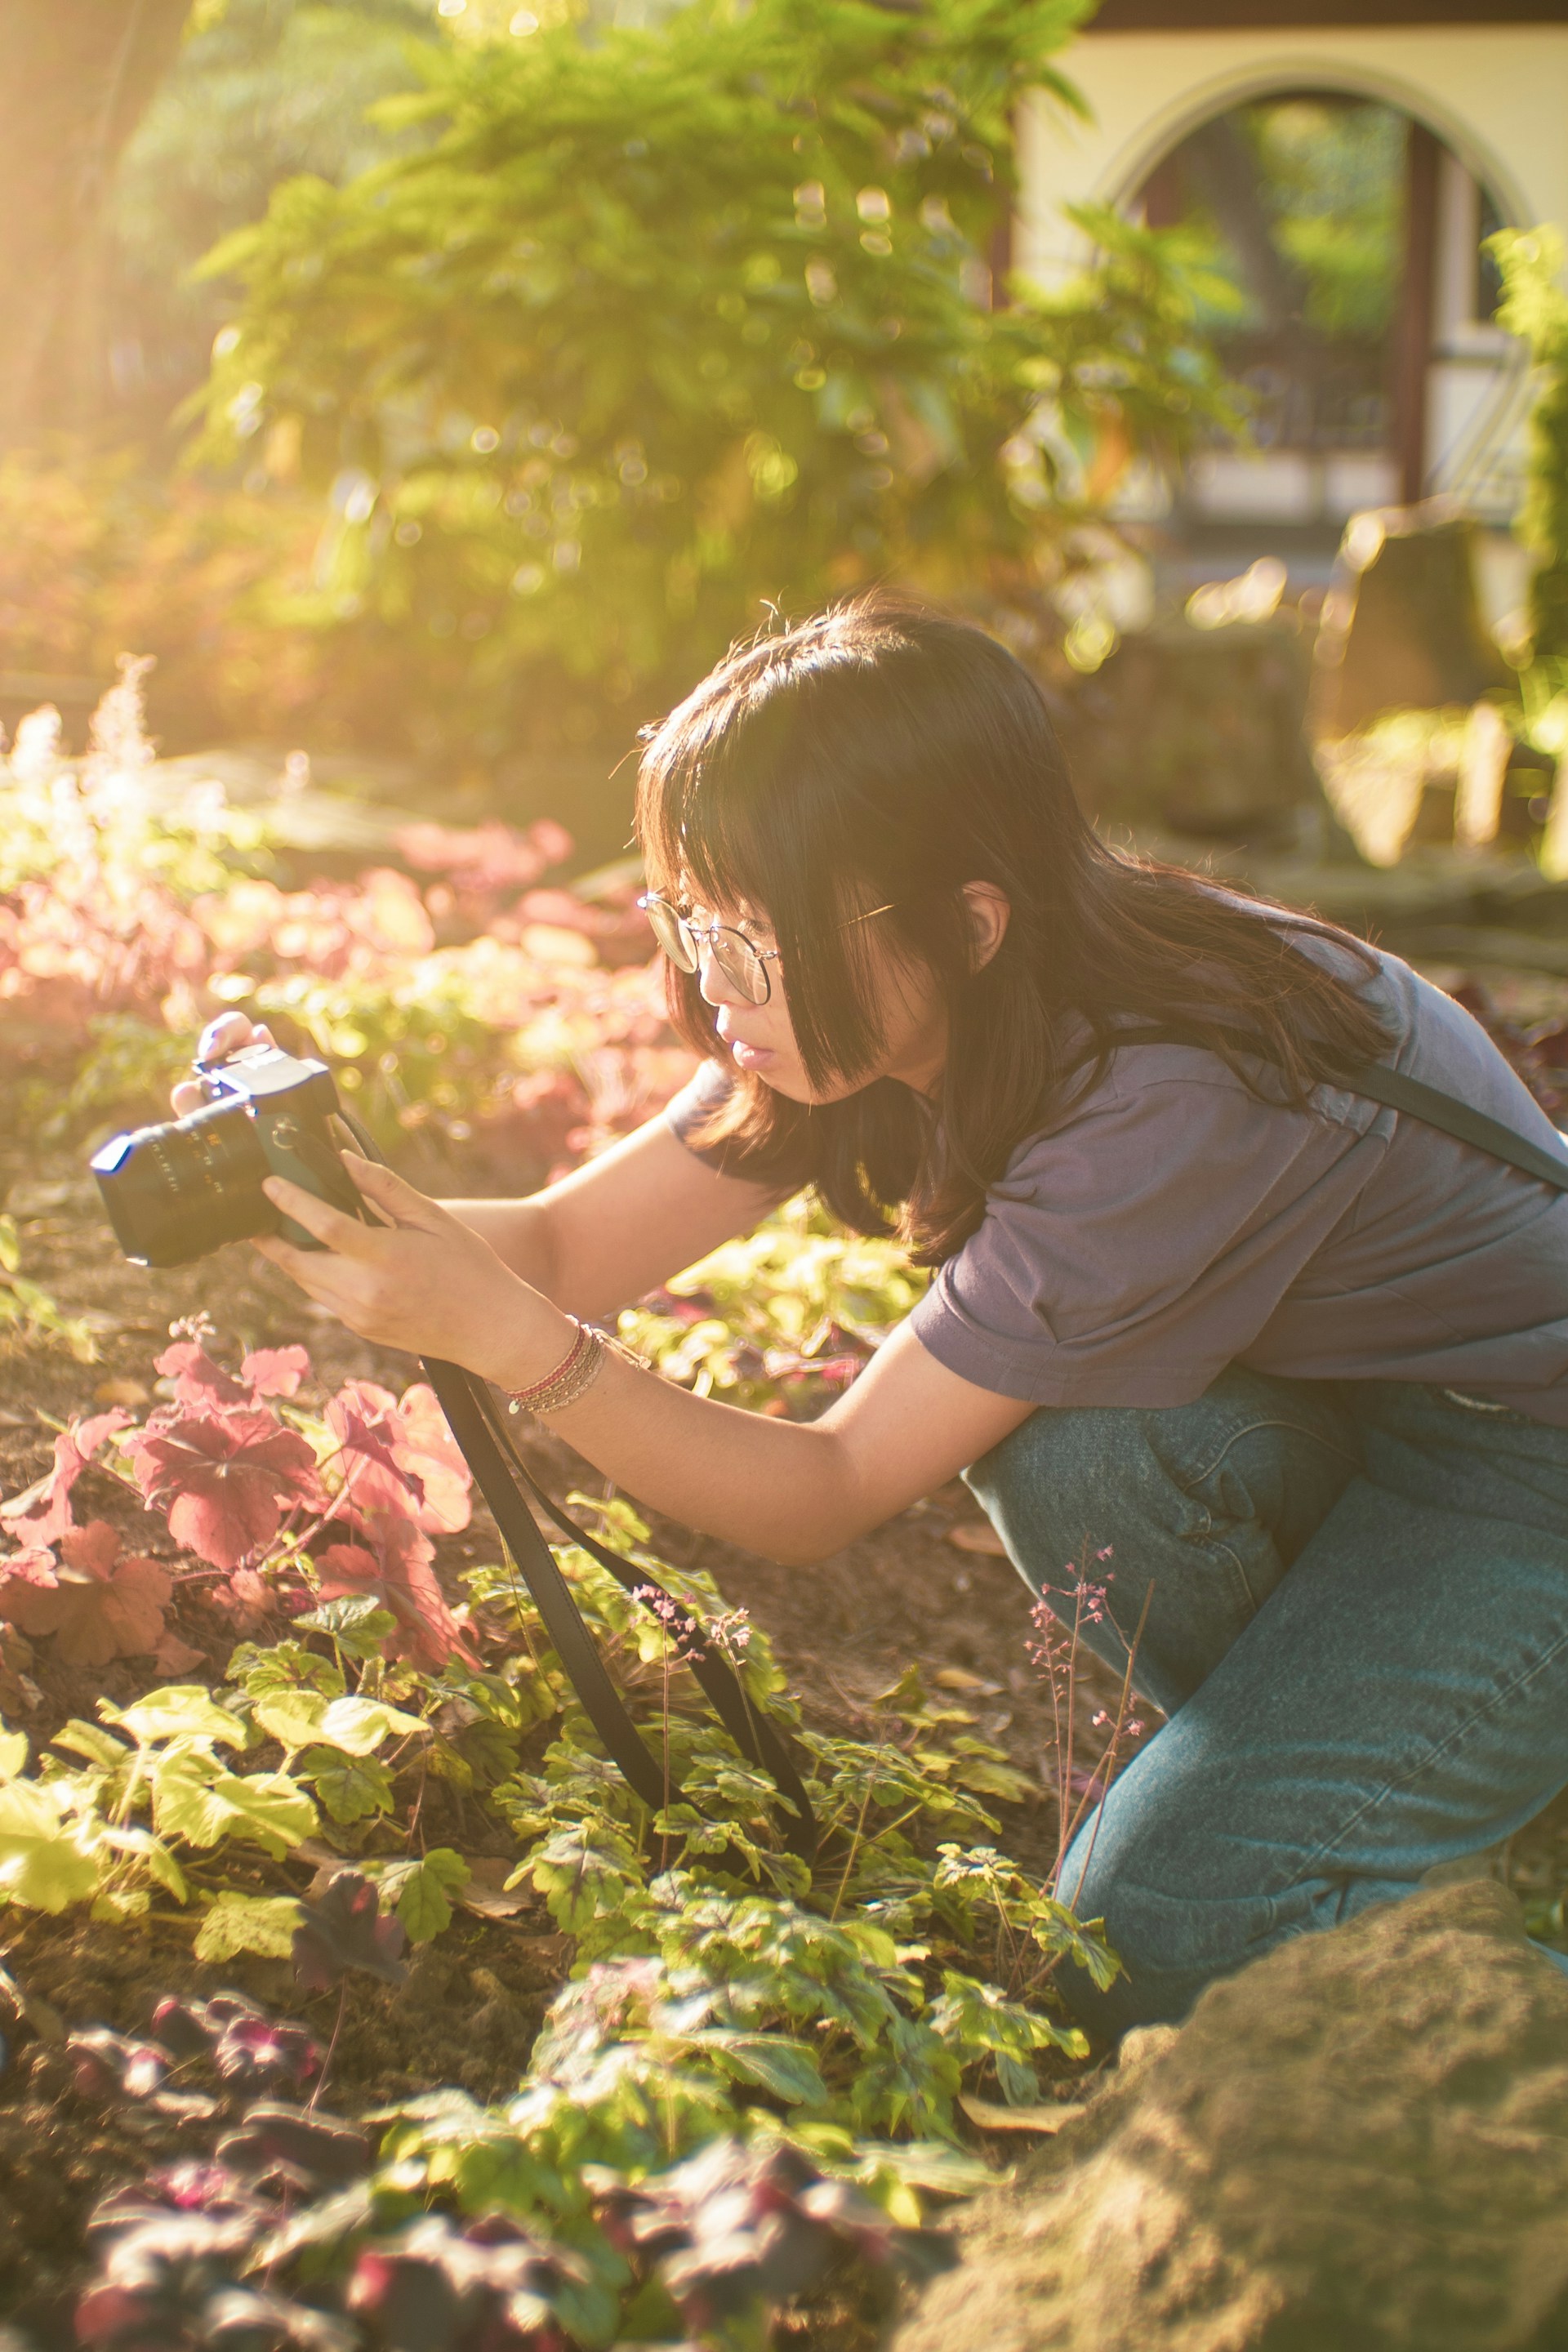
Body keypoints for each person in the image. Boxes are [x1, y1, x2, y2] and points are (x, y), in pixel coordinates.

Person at [185, 595, 1568, 2038]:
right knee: (1072, 1457)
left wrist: (513, 1345)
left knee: (1155, 1936)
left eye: (762, 937)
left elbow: (827, 1488)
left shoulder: (1157, 1098)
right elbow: (559, 1243)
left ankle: (1341, 1828)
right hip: (1379, 1416)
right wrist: (303, 1185)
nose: (716, 984)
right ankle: (1354, 1806)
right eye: (694, 919)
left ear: (966, 921)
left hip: (1531, 1465)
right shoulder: (903, 1010)